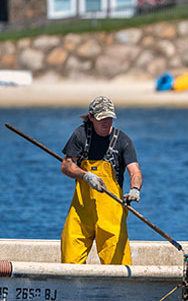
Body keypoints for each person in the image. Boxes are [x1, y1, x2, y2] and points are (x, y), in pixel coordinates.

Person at [60, 96, 142, 264]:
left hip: (111, 211)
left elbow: (135, 171)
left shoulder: (123, 141)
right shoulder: (80, 135)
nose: (107, 122)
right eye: (102, 118)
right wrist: (86, 175)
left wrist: (135, 189)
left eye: (110, 118)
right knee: (70, 257)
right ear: (91, 117)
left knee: (117, 263)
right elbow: (66, 165)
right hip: (82, 210)